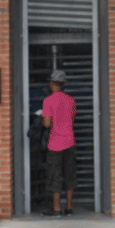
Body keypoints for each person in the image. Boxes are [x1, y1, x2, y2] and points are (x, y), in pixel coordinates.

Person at [41, 70, 77, 217]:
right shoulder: (71, 100)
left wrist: (42, 119)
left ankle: (56, 209)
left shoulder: (48, 101)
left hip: (55, 144)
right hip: (70, 141)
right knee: (69, 174)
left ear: (51, 83)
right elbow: (72, 120)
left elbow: (47, 124)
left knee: (55, 175)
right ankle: (69, 208)